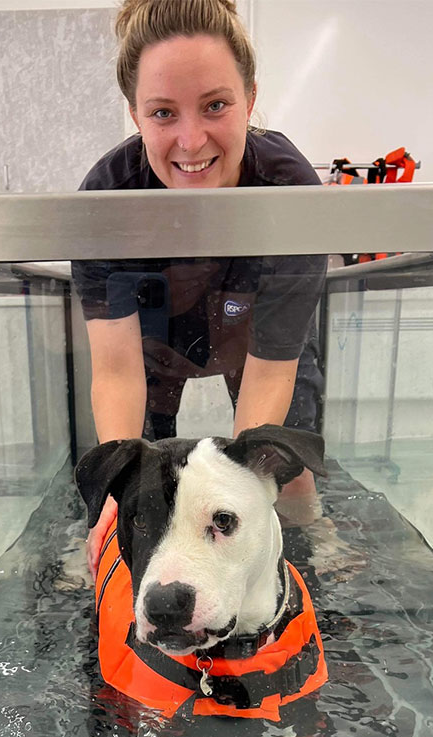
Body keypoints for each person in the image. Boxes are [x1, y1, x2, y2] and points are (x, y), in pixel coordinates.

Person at [72, 0, 327, 567]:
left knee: (291, 484)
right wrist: (115, 492)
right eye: (163, 113)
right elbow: (115, 371)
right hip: (152, 347)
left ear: (251, 100)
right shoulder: (108, 201)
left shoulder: (290, 192)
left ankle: (321, 554)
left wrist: (253, 503)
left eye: (215, 105)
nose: (191, 141)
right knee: (140, 490)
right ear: (135, 115)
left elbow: (273, 368)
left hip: (255, 335)